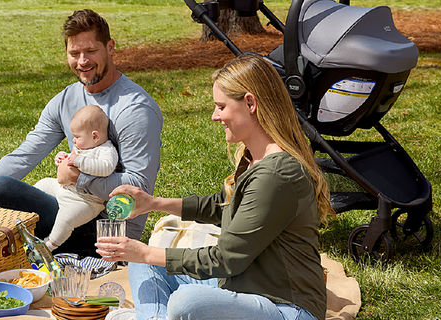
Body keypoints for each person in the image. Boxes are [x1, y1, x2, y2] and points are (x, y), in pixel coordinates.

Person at [95, 54, 334, 320]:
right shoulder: (255, 158)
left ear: (250, 103)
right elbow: (222, 204)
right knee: (143, 265)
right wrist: (152, 203)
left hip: (285, 307)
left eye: (221, 106)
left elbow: (225, 259)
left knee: (185, 301)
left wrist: (146, 252)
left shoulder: (278, 173)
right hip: (240, 285)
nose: (214, 116)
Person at [0, 9, 163, 256]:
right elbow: (25, 155)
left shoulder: (135, 108)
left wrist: (79, 178)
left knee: (2, 191)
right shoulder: (65, 100)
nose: (82, 61)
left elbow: (138, 186)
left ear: (110, 47)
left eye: (91, 51)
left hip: (105, 232)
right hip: (68, 203)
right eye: (74, 53)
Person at [35, 104, 118, 250]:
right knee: (43, 183)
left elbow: (106, 168)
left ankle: (50, 244)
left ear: (95, 136)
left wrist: (80, 161)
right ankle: (26, 215)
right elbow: (72, 160)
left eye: (77, 137)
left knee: (66, 219)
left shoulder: (106, 150)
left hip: (84, 201)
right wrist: (63, 158)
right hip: (64, 188)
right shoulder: (83, 146)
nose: (73, 140)